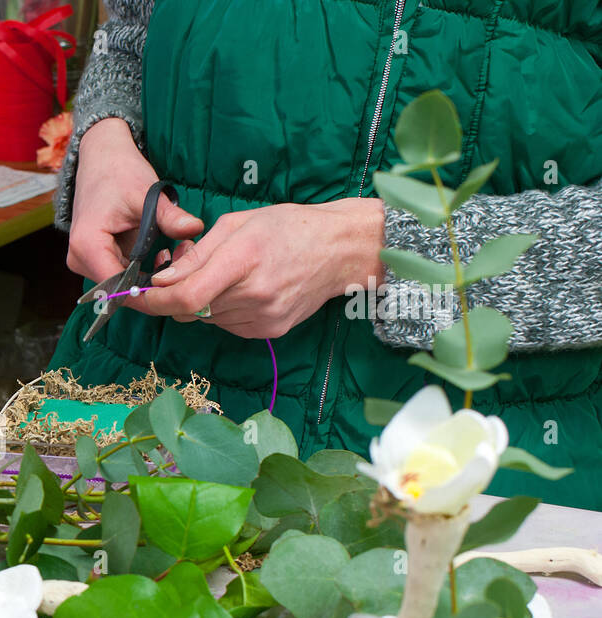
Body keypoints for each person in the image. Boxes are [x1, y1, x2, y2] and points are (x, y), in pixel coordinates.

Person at [52, 0, 602, 510]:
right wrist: (105, 132)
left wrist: (379, 248)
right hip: (135, 408)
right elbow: (130, 25)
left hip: (477, 469)